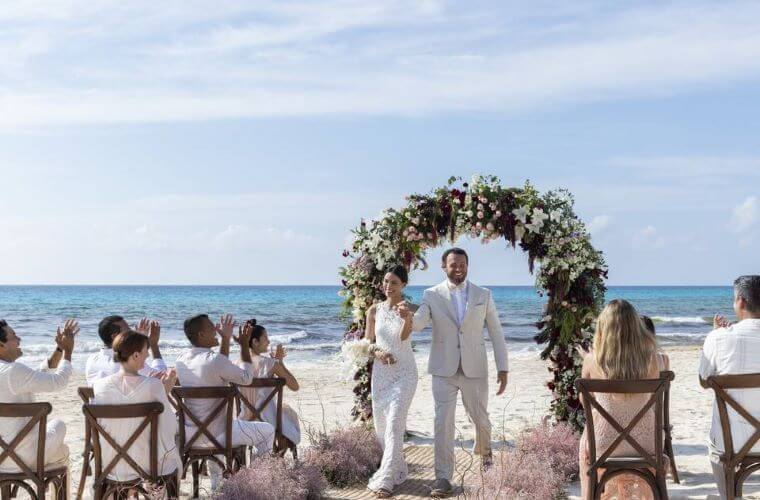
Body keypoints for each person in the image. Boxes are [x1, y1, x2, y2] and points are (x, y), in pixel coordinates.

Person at [411, 248, 508, 498]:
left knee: (481, 418)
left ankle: (486, 456)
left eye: (463, 264)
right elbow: (420, 323)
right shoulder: (431, 294)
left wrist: (503, 367)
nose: (458, 268)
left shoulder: (483, 294)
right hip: (443, 369)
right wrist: (407, 317)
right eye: (453, 264)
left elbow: (496, 331)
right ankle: (443, 477)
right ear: (444, 266)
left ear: (468, 265)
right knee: (442, 422)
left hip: (475, 367)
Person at [175, 314, 274, 489]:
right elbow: (246, 378)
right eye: (211, 327)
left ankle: (217, 487)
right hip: (220, 435)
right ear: (201, 335)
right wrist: (244, 345)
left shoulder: (181, 360)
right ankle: (258, 483)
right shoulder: (214, 360)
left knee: (216, 424)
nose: (215, 329)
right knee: (267, 431)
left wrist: (226, 339)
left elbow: (217, 366)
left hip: (191, 435)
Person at [579, 300, 665, 500]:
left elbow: (586, 405)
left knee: (586, 438)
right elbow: (650, 400)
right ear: (636, 327)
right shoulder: (651, 358)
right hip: (646, 444)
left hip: (603, 444)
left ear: (603, 328)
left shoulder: (591, 360)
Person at [91, 330, 180, 487]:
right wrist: (164, 392)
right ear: (136, 355)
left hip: (110, 465)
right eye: (146, 352)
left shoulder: (99, 386)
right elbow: (169, 428)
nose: (147, 357)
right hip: (146, 466)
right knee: (175, 459)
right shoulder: (153, 386)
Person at [699, 275, 760, 498]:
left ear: (741, 302)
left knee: (715, 450)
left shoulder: (718, 338)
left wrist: (715, 335)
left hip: (732, 443)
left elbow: (704, 380)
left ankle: (730, 497)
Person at [364, 265, 418, 498]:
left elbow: (404, 338)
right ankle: (396, 466)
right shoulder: (374, 311)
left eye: (394, 283)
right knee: (382, 426)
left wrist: (407, 318)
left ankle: (386, 479)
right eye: (386, 281)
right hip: (381, 374)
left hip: (405, 372)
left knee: (396, 421)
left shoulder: (409, 308)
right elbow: (367, 342)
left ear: (403, 285)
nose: (388, 286)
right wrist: (378, 353)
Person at [0, 318, 78, 472]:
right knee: (59, 427)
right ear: (1, 345)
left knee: (60, 448)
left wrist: (60, 349)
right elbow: (58, 382)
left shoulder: (10, 372)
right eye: (14, 336)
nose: (19, 339)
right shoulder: (12, 371)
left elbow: (37, 375)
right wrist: (68, 351)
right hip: (23, 457)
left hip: (2, 457)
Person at [237, 319, 301, 455]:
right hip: (269, 421)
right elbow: (295, 386)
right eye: (265, 338)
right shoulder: (270, 364)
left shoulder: (236, 364)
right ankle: (278, 457)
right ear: (255, 342)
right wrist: (279, 362)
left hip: (244, 420)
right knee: (289, 413)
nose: (269, 341)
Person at [85, 315, 166, 385]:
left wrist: (137, 342)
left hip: (101, 402)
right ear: (115, 336)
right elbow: (162, 375)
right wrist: (153, 344)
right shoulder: (128, 360)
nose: (131, 332)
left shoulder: (91, 360)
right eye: (128, 330)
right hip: (125, 402)